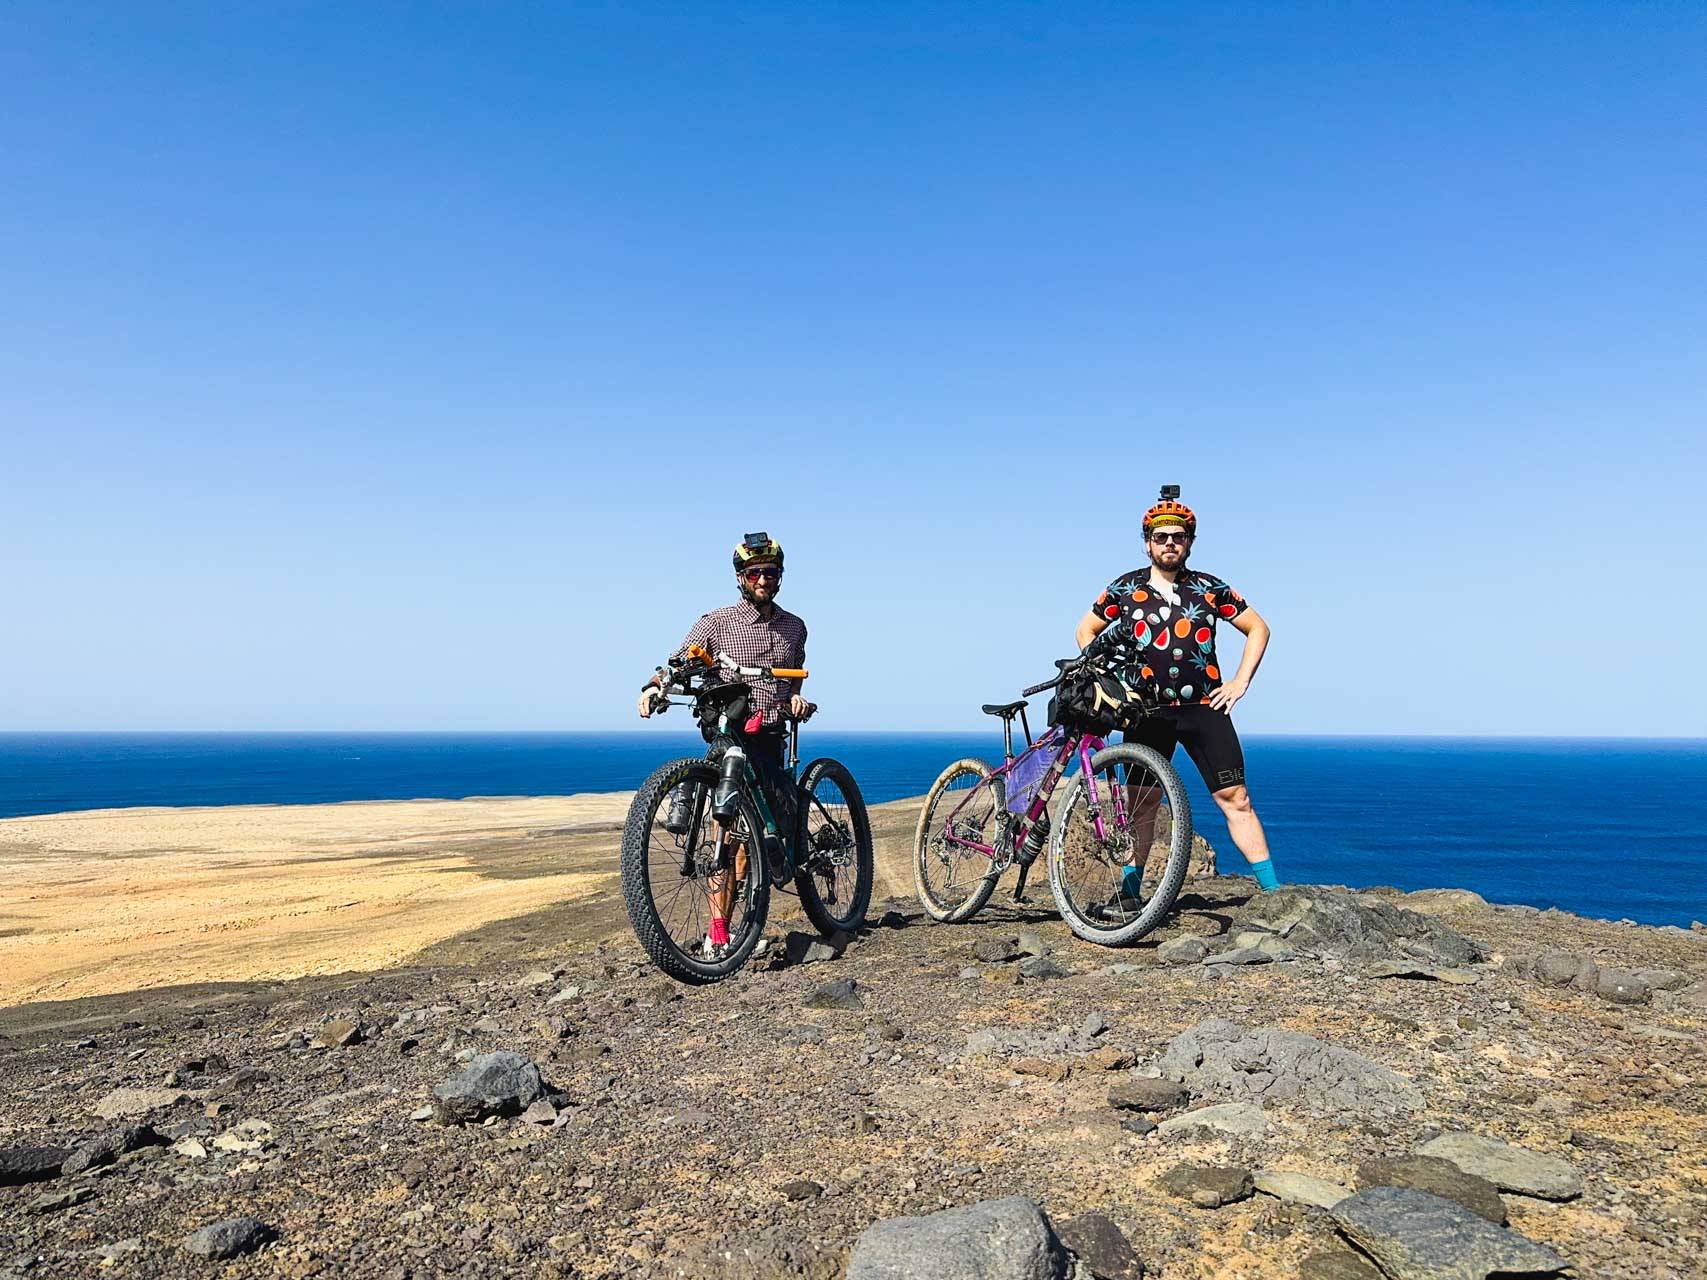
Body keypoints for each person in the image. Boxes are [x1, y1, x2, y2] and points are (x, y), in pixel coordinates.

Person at [1075, 489, 1279, 913]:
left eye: (1179, 536)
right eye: (1162, 536)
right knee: (1141, 803)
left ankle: (1275, 894)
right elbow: (1085, 631)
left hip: (1206, 708)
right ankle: (1130, 894)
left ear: (1189, 542)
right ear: (1147, 542)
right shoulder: (1124, 588)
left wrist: (1240, 682)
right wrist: (1108, 679)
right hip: (1144, 711)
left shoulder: (1209, 588)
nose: (1170, 543)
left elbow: (1258, 628)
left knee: (1236, 798)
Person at [638, 533, 810, 954]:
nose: (764, 580)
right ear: (741, 577)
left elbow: (793, 679)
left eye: (771, 572)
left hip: (769, 734)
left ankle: (779, 879)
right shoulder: (715, 622)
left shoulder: (795, 628)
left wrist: (796, 701)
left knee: (767, 835)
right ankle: (720, 932)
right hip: (726, 732)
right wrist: (655, 686)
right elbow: (681, 659)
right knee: (727, 833)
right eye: (755, 573)